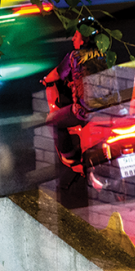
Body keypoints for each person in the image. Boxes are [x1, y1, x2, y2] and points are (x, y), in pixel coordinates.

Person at [41, 18, 107, 172]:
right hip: (110, 108)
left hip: (87, 112)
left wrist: (45, 81)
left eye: (76, 36)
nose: (73, 39)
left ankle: (70, 158)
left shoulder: (75, 57)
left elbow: (57, 74)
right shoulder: (104, 55)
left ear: (84, 40)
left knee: (52, 121)